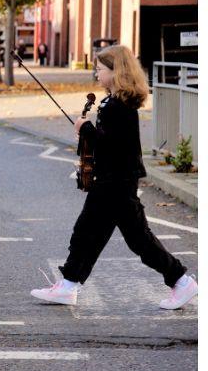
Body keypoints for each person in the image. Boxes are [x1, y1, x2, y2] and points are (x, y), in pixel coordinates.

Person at [30, 45, 197, 310]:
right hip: (116, 180)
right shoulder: (117, 102)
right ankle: (69, 285)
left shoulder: (118, 106)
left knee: (101, 234)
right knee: (103, 235)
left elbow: (111, 146)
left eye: (100, 69)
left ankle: (180, 280)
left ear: (116, 72)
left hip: (115, 182)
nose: (96, 73)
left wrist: (85, 128)